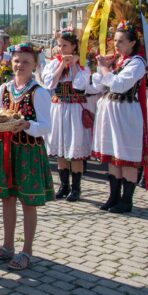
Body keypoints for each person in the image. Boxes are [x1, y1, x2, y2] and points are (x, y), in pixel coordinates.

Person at [0, 43, 53, 270]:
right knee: (7, 199)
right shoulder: (4, 89)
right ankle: (7, 246)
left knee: (28, 202)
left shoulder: (39, 92)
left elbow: (46, 126)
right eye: (16, 61)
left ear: (34, 64)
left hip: (28, 152)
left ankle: (27, 251)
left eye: (25, 61)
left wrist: (26, 125)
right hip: (6, 149)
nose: (20, 65)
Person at [91, 21, 147, 214]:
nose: (116, 44)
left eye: (121, 41)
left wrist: (105, 69)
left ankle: (126, 200)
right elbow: (99, 85)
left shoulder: (137, 63)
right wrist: (102, 68)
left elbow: (120, 85)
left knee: (126, 156)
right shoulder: (117, 61)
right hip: (110, 111)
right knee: (113, 156)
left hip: (126, 112)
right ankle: (113, 196)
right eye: (115, 40)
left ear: (132, 43)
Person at [41, 29, 91, 202]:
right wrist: (62, 64)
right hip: (58, 106)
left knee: (74, 148)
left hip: (74, 108)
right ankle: (64, 186)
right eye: (59, 45)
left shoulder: (82, 64)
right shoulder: (54, 63)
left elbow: (79, 86)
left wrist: (75, 65)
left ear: (74, 46)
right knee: (61, 148)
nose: (61, 49)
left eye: (65, 45)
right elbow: (49, 83)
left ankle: (76, 188)